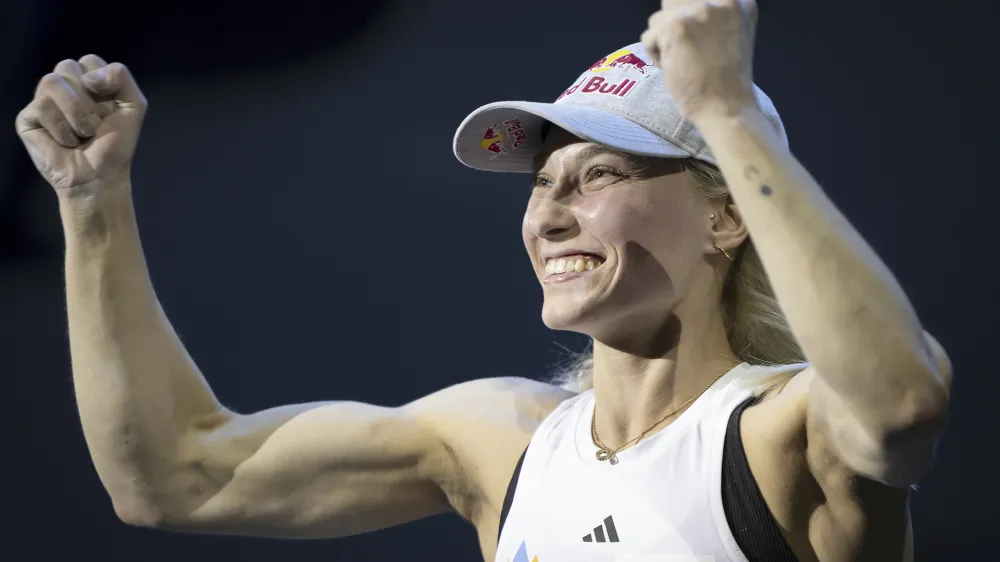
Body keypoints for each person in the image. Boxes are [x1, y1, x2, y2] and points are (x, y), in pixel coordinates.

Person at [15, 1, 952, 560]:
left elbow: (901, 400)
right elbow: (174, 476)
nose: (547, 214)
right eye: (542, 183)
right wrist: (92, 202)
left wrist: (726, 109)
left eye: (601, 175)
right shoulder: (502, 442)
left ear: (726, 215)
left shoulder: (781, 434)